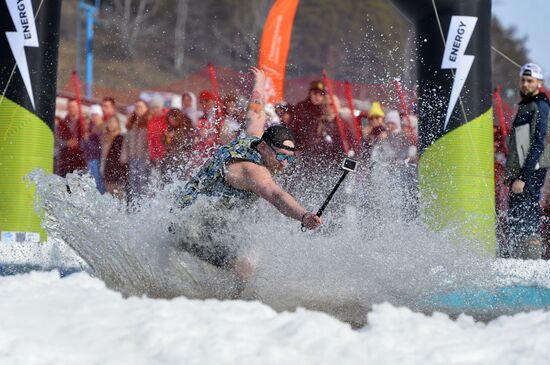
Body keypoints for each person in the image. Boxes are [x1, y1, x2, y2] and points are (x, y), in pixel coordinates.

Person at [173, 68, 322, 275]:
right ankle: (231, 306)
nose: (284, 164)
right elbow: (276, 195)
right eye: (280, 156)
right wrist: (304, 216)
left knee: (245, 254)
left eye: (289, 158)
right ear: (263, 148)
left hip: (192, 214)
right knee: (244, 270)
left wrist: (259, 83)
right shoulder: (253, 171)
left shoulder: (255, 137)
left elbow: (256, 111)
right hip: (191, 226)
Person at [504, 63, 550, 259]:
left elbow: (538, 144)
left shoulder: (540, 106)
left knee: (527, 218)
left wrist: (522, 177)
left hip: (529, 173)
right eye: (523, 80)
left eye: (530, 80)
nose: (525, 84)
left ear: (539, 83)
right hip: (520, 173)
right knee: (515, 219)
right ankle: (517, 259)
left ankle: (531, 262)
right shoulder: (527, 105)